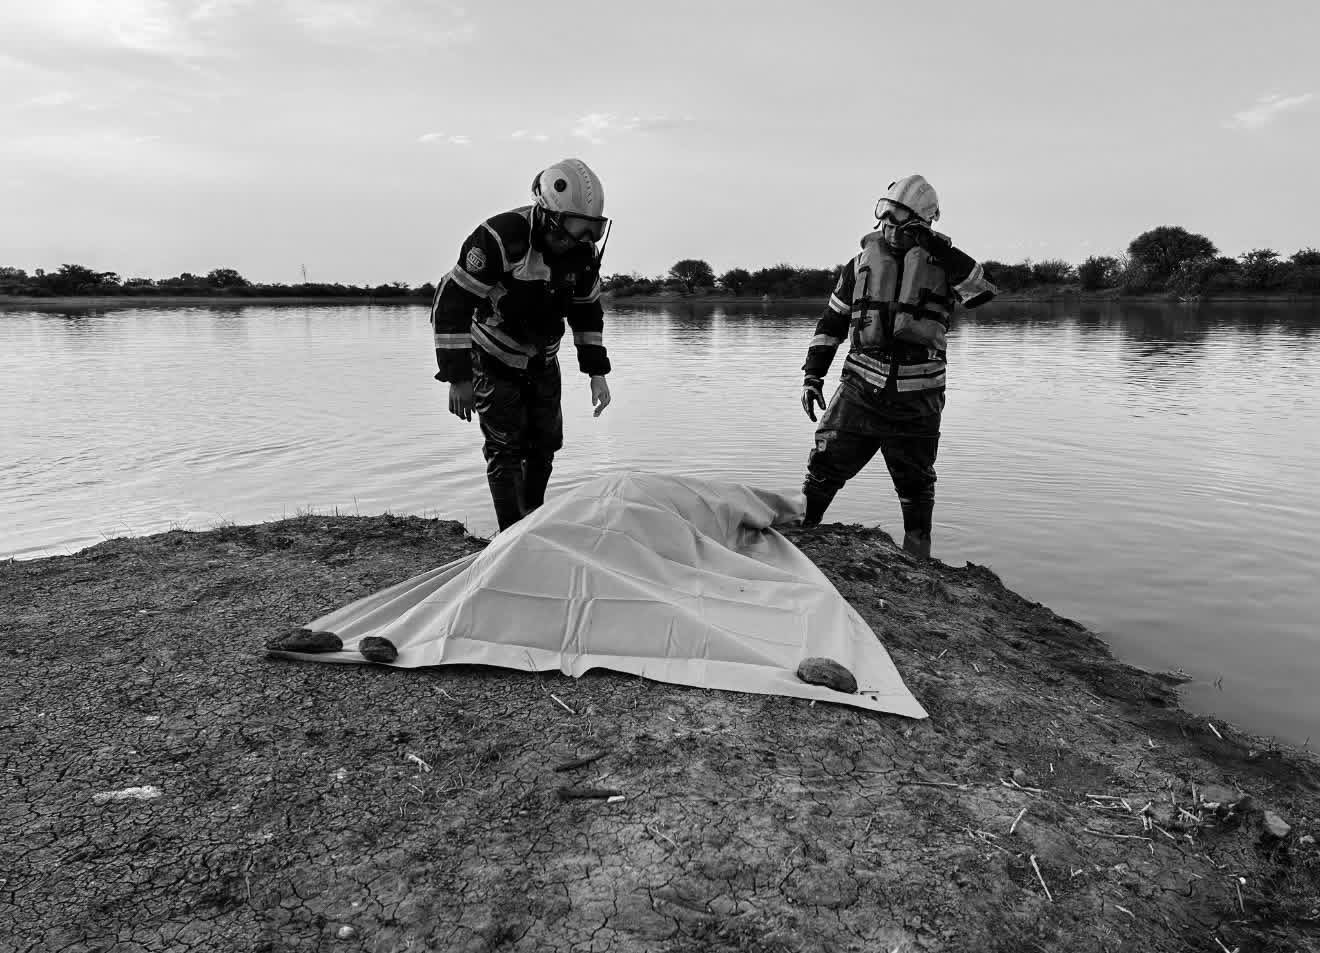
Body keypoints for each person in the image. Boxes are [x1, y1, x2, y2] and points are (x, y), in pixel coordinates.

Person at [798, 174, 998, 558]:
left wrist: (942, 252)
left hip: (918, 396)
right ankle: (804, 533)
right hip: (860, 387)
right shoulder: (858, 266)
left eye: (899, 219)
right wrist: (812, 376)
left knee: (916, 484)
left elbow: (983, 293)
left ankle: (918, 557)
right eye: (884, 217)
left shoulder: (945, 267)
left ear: (921, 224)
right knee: (824, 464)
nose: (889, 226)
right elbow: (831, 324)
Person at [431, 157, 613, 531]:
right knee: (505, 449)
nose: (580, 239)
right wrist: (458, 378)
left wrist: (597, 372)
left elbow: (587, 311)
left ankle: (531, 520)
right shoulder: (501, 237)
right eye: (574, 228)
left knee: (545, 445)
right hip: (493, 355)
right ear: (547, 215)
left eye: (590, 230)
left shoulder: (581, 253)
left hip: (542, 358)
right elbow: (451, 303)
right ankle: (509, 535)